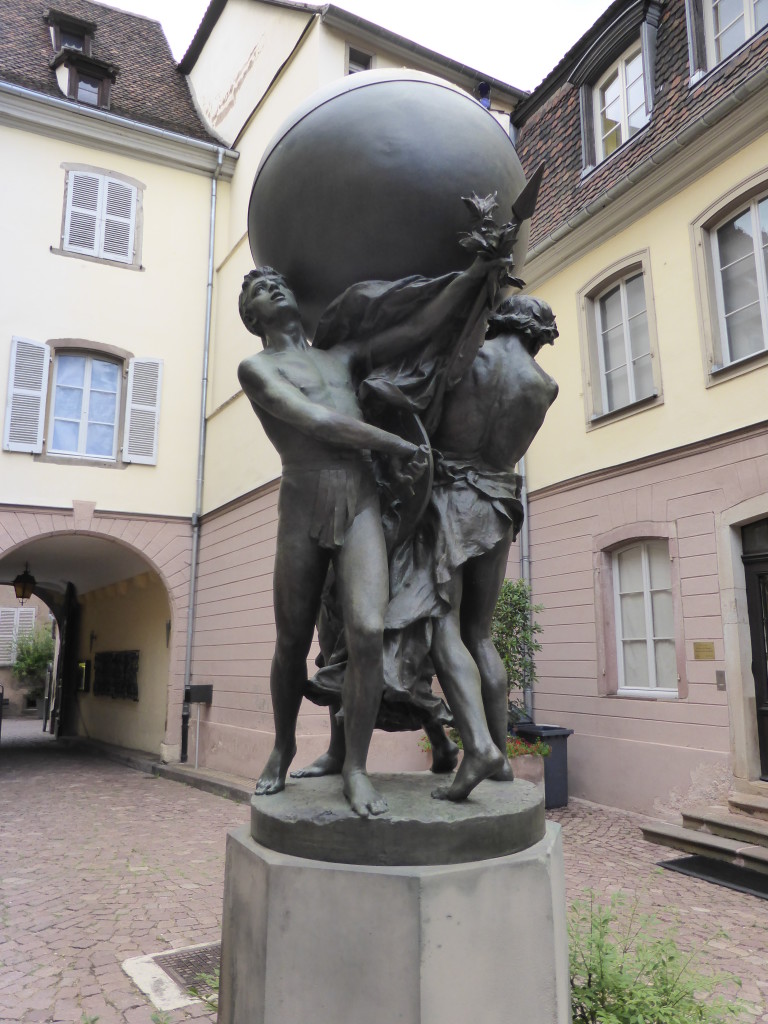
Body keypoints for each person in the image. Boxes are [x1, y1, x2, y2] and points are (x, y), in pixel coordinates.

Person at [237, 260, 504, 815]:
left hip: (359, 498)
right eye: (262, 289)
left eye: (279, 280)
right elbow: (315, 422)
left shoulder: (342, 357)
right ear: (252, 316)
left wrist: (469, 277)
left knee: (364, 629)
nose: (274, 286)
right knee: (291, 641)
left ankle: (355, 767)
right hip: (304, 501)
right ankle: (283, 746)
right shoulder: (256, 367)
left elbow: (410, 328)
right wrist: (396, 445)